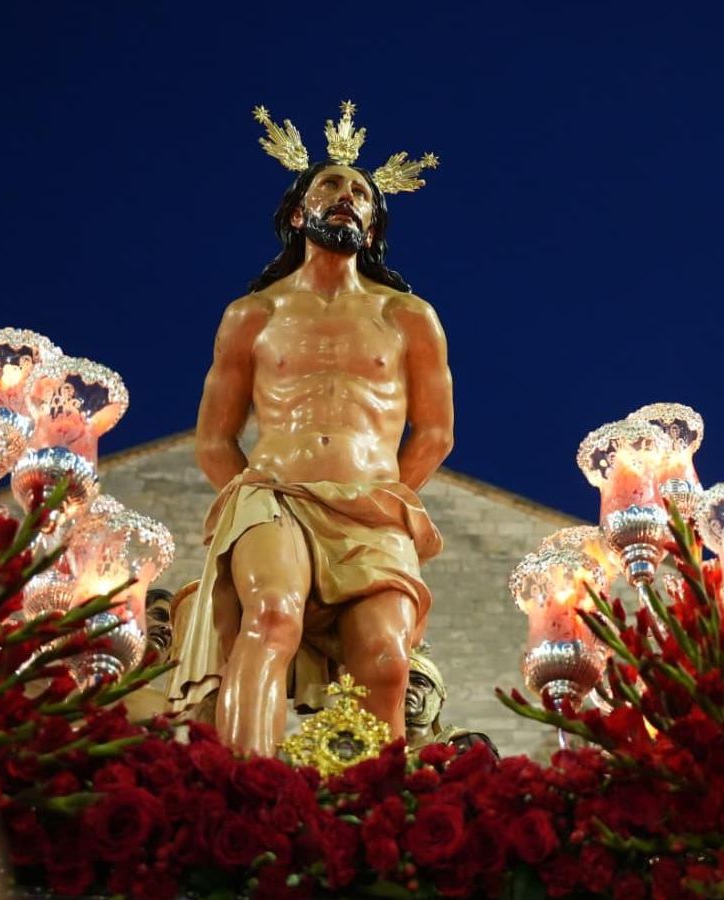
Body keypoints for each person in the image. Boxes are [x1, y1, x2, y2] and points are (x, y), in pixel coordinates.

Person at [166, 103, 452, 757]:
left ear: (374, 227)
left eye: (360, 193)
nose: (346, 197)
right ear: (300, 214)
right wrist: (248, 495)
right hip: (276, 496)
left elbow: (435, 432)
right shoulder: (252, 314)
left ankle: (368, 820)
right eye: (331, 186)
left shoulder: (408, 317)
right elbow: (213, 437)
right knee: (268, 620)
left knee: (384, 657)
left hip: (374, 505)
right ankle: (246, 793)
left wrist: (388, 492)